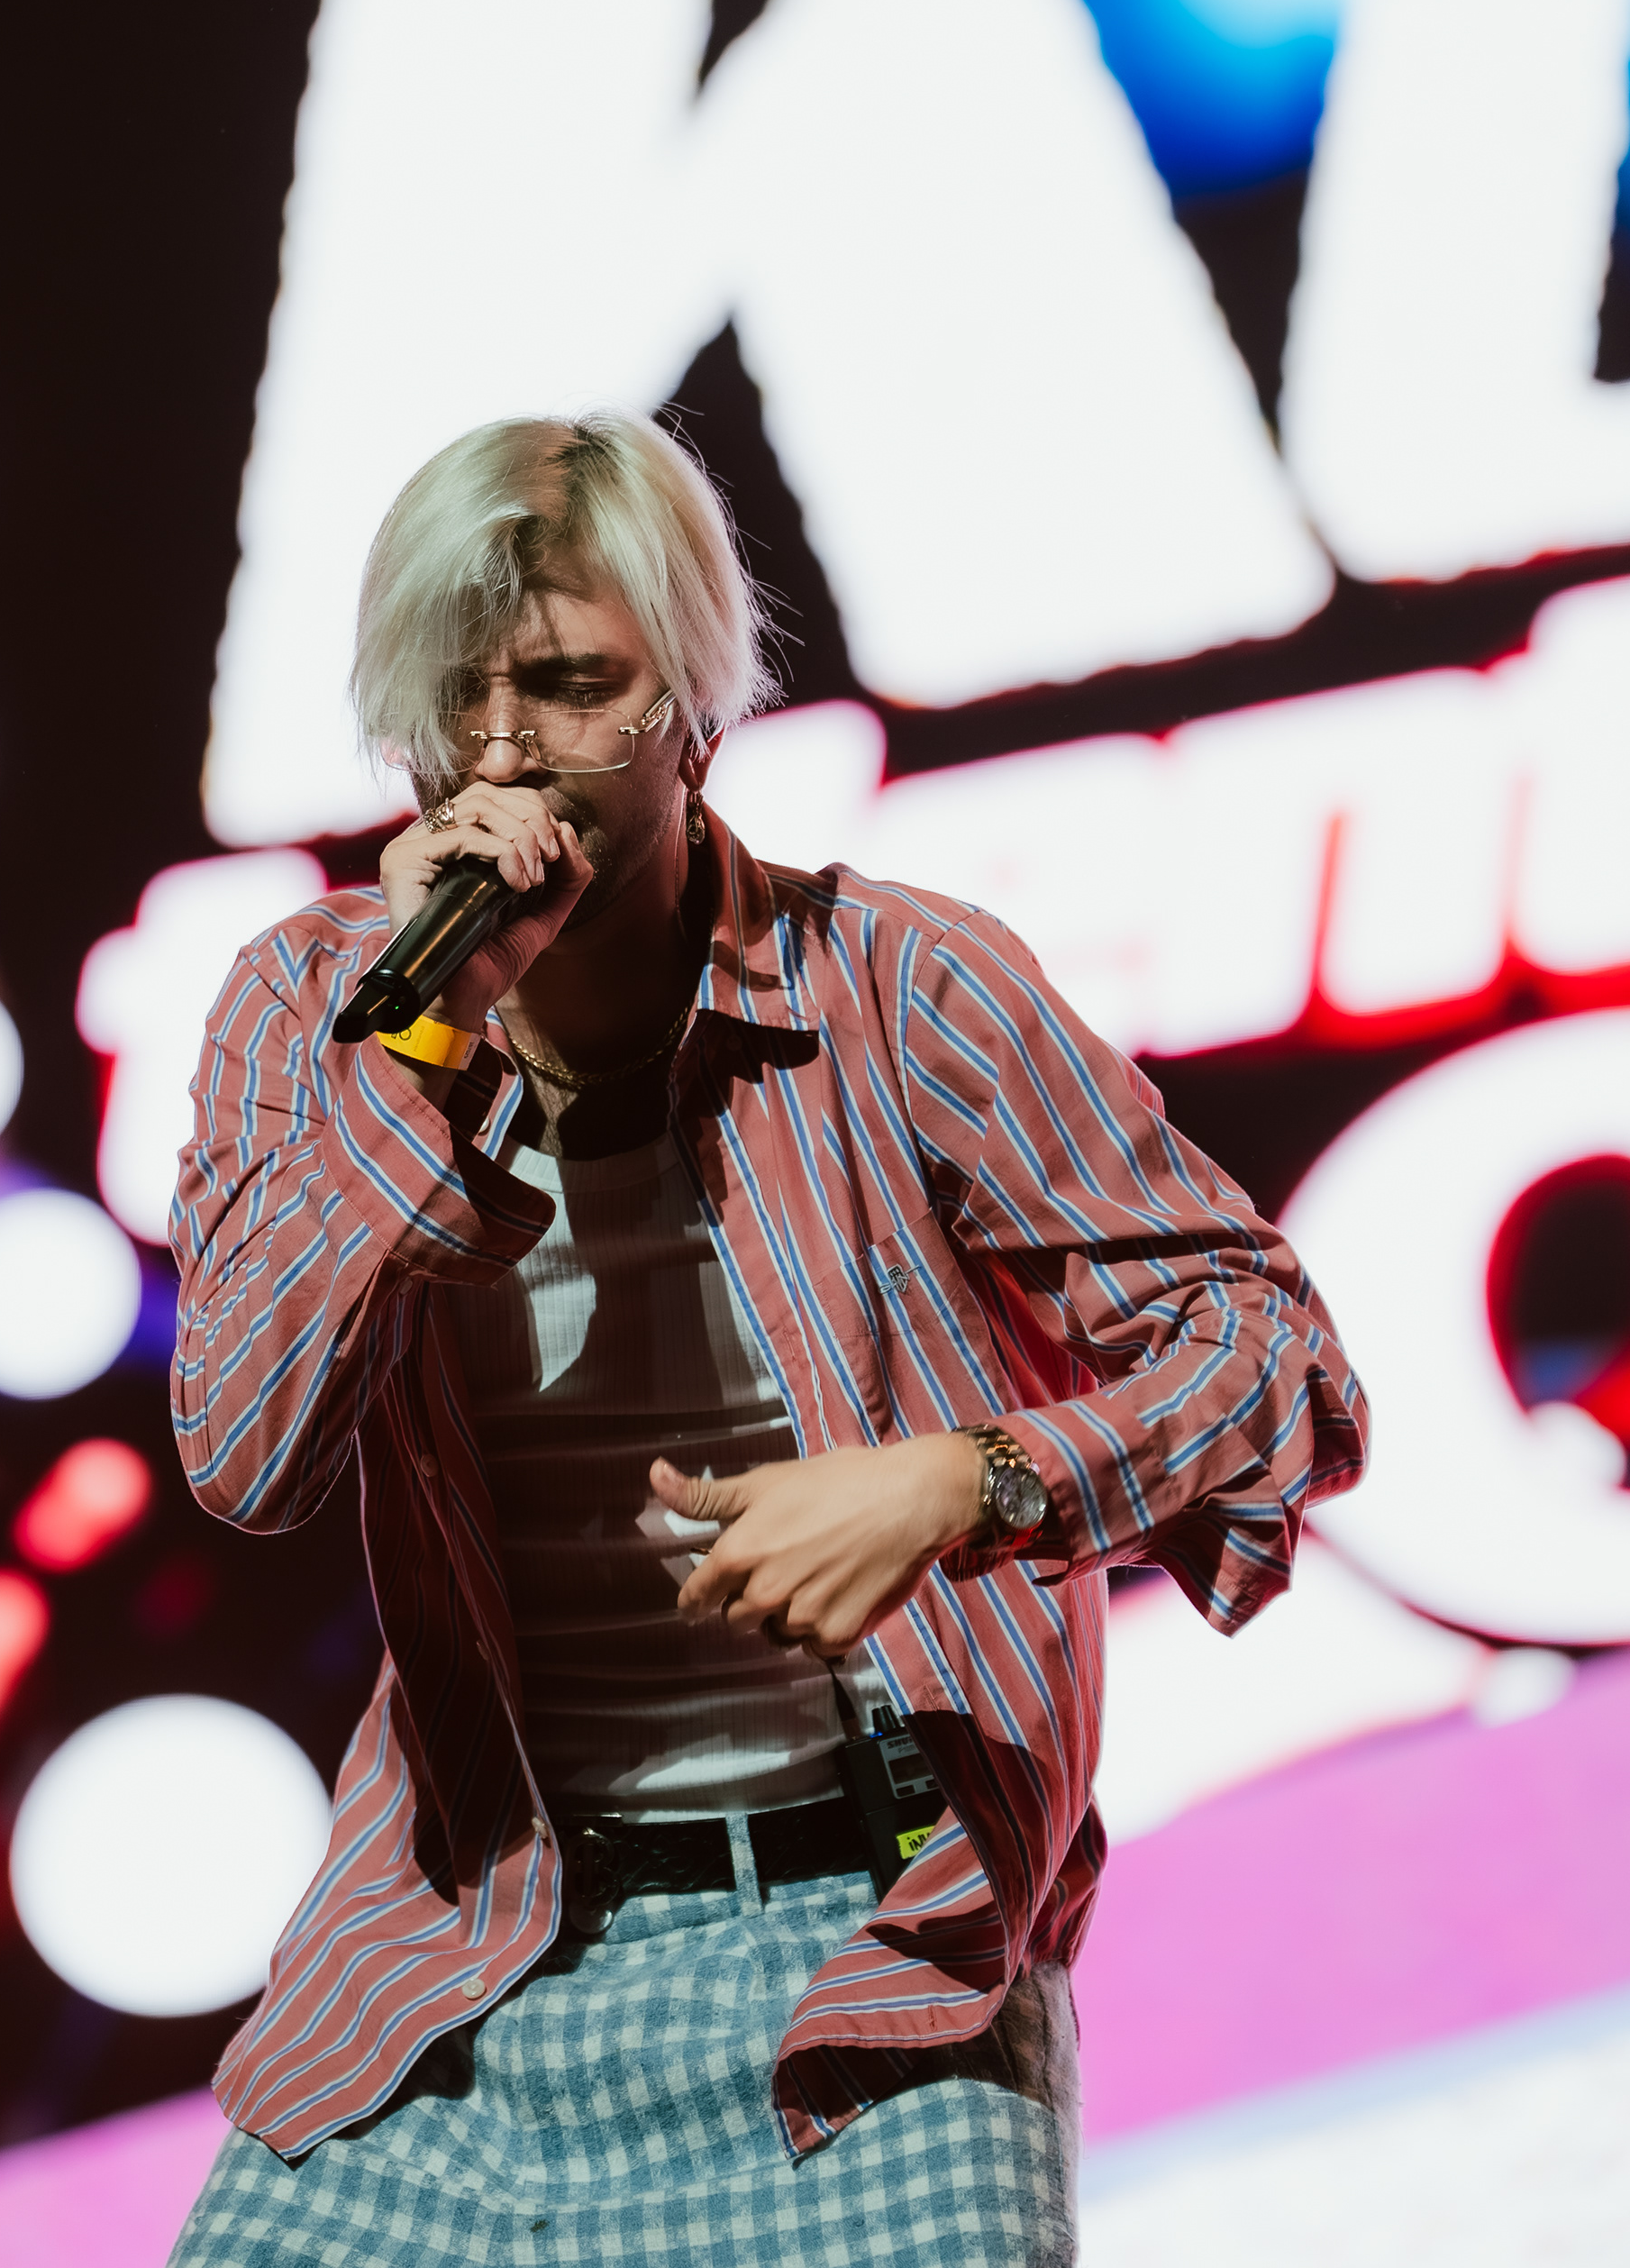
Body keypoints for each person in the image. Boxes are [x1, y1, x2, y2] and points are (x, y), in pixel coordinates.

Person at [166, 412, 1369, 2268]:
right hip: (470, 1951)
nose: (503, 754)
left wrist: (966, 1481)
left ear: (699, 717)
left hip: (871, 1951)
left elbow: (1277, 1360)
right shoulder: (309, 1011)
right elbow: (245, 1451)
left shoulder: (901, 986)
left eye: (574, 688)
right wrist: (423, 1049)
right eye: (457, 694)